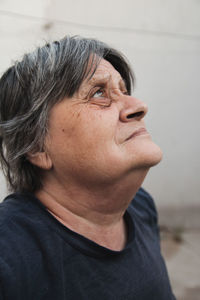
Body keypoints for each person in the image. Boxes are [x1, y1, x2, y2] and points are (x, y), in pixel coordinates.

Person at [0, 35, 175, 300]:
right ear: (36, 146)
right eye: (99, 93)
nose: (138, 106)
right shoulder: (9, 255)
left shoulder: (140, 206)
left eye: (124, 90)